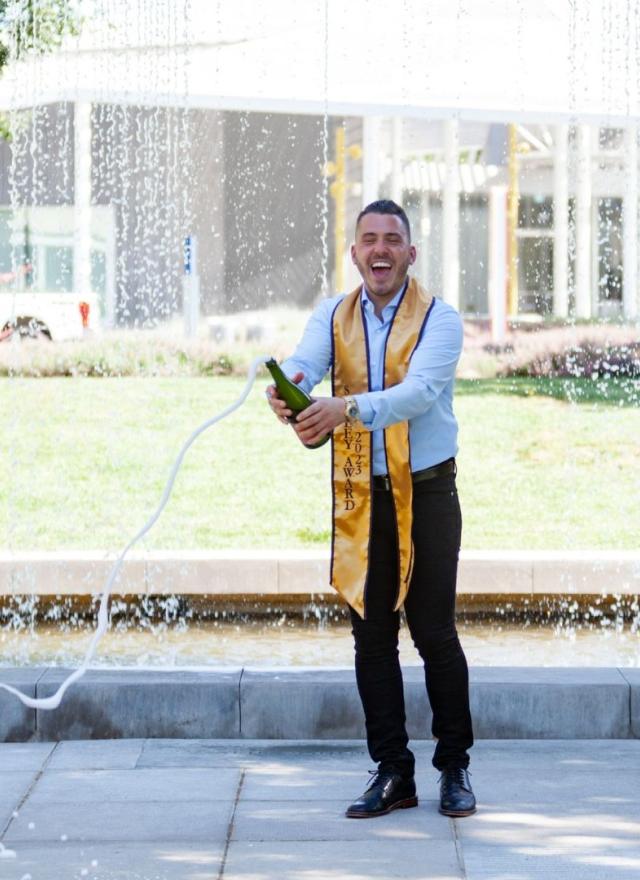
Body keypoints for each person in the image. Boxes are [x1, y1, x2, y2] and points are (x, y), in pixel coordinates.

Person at [266, 199, 475, 819]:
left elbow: (416, 395)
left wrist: (346, 409)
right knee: (371, 637)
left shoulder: (441, 319)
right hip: (363, 493)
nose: (379, 250)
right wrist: (291, 393)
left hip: (429, 492)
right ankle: (392, 772)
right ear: (354, 252)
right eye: (368, 240)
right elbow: (306, 361)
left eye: (392, 240)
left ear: (411, 253)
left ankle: (455, 768)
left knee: (434, 633)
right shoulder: (333, 314)